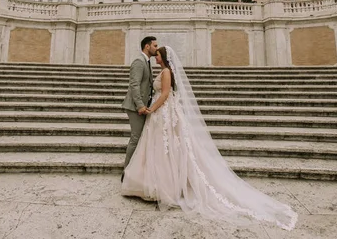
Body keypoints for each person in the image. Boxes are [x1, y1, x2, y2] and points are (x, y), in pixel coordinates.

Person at [121, 46, 297, 231]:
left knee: (166, 148)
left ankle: (164, 186)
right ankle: (160, 183)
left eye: (157, 56)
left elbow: (164, 94)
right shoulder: (166, 70)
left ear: (163, 57)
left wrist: (151, 109)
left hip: (163, 113)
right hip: (164, 114)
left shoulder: (165, 72)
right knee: (164, 148)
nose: (155, 58)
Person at [121, 36, 158, 182]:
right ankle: (126, 172)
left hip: (143, 106)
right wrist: (140, 106)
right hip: (135, 107)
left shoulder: (147, 62)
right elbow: (134, 85)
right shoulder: (139, 62)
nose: (156, 48)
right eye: (155, 45)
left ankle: (135, 170)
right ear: (147, 46)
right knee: (135, 139)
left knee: (139, 138)